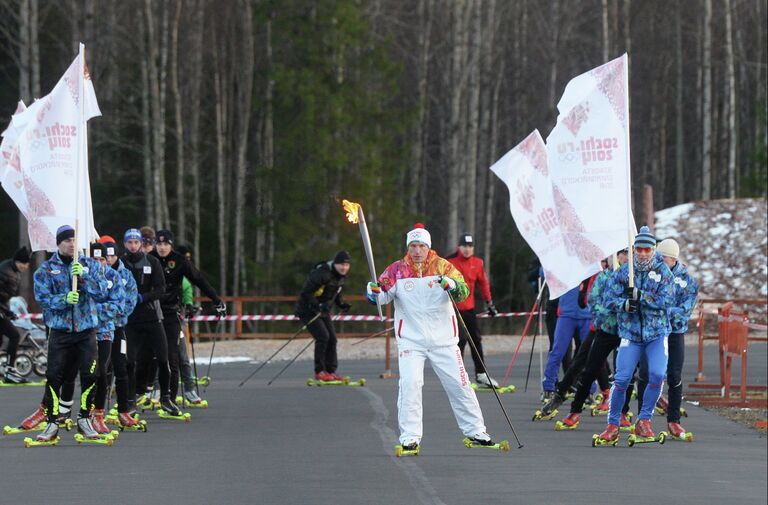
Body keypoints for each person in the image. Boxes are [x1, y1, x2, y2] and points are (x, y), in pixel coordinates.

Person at [366, 223, 498, 451]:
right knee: (410, 384)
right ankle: (409, 437)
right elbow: (382, 295)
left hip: (444, 341)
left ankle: (476, 431)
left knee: (460, 384)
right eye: (413, 246)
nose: (417, 251)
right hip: (411, 341)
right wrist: (373, 292)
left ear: (428, 247)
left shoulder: (443, 267)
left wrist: (452, 285)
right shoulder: (397, 270)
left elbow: (464, 291)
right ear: (408, 247)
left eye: (421, 246)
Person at [596, 226, 673, 444]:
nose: (642, 253)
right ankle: (612, 425)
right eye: (639, 249)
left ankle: (644, 420)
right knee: (621, 379)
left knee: (657, 375)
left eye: (647, 249)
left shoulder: (662, 271)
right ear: (633, 249)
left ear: (654, 249)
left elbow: (666, 301)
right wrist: (624, 304)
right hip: (631, 334)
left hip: (656, 334)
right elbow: (608, 300)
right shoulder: (623, 271)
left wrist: (640, 297)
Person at [32, 225, 108, 442]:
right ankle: (52, 422)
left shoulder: (90, 265)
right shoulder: (46, 270)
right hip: (60, 331)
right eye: (67, 240)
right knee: (54, 376)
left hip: (86, 330)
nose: (72, 244)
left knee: (91, 374)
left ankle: (85, 418)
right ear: (58, 243)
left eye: (75, 240)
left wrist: (84, 277)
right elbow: (43, 300)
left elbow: (102, 292)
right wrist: (63, 299)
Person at [150, 230, 224, 405]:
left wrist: (216, 300)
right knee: (149, 356)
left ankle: (171, 399)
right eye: (159, 244)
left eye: (165, 244)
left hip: (170, 312)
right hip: (150, 311)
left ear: (171, 245)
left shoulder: (180, 261)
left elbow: (199, 280)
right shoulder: (149, 259)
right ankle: (145, 394)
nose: (162, 247)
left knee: (173, 357)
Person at [636, 238, 698, 440]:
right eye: (658, 257)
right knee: (646, 373)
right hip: (653, 333)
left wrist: (660, 309)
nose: (660, 261)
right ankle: (643, 421)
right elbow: (645, 302)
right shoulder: (651, 275)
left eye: (664, 258)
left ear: (673, 259)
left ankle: (674, 421)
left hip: (674, 333)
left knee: (674, 375)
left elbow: (684, 311)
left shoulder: (687, 281)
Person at [121, 228, 181, 416]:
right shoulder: (121, 264)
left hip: (152, 317)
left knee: (163, 359)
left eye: (136, 242)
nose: (133, 246)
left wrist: (143, 297)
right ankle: (130, 401)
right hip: (130, 320)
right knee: (130, 362)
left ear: (141, 243)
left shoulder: (152, 262)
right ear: (125, 244)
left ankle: (166, 398)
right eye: (129, 242)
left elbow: (160, 289)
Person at [446, 233, 499, 387]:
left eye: (470, 246)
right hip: (453, 308)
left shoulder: (478, 263)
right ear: (459, 247)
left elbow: (483, 284)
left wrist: (490, 303)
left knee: (476, 339)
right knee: (460, 339)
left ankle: (481, 374)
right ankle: (458, 375)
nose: (467, 249)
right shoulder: (450, 262)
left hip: (469, 308)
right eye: (464, 246)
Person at [99, 235, 141, 428]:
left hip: (118, 326)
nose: (108, 260)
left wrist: (117, 314)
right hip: (100, 329)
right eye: (104, 257)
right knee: (101, 369)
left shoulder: (125, 275)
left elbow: (130, 299)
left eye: (112, 256)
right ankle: (96, 410)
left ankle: (123, 409)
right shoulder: (97, 273)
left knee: (122, 366)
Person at [295, 251, 352, 381]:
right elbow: (306, 293)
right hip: (307, 310)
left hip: (322, 311)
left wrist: (341, 304)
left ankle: (330, 371)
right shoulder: (321, 274)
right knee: (323, 337)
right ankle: (319, 371)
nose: (344, 268)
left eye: (346, 265)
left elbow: (335, 292)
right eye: (341, 265)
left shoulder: (339, 276)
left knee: (332, 338)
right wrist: (318, 305)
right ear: (335, 264)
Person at [541, 281, 592, 401]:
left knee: (589, 354)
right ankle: (549, 387)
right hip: (566, 314)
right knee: (558, 351)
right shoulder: (565, 264)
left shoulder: (591, 264)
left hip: (587, 315)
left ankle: (588, 389)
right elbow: (547, 272)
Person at [0, 246, 32, 383]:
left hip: (2, 309)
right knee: (14, 336)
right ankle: (10, 371)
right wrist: (5, 312)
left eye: (27, 264)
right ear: (16, 261)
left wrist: (8, 312)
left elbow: (4, 296)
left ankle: (8, 370)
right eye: (23, 264)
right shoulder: (4, 271)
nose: (25, 267)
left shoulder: (14, 271)